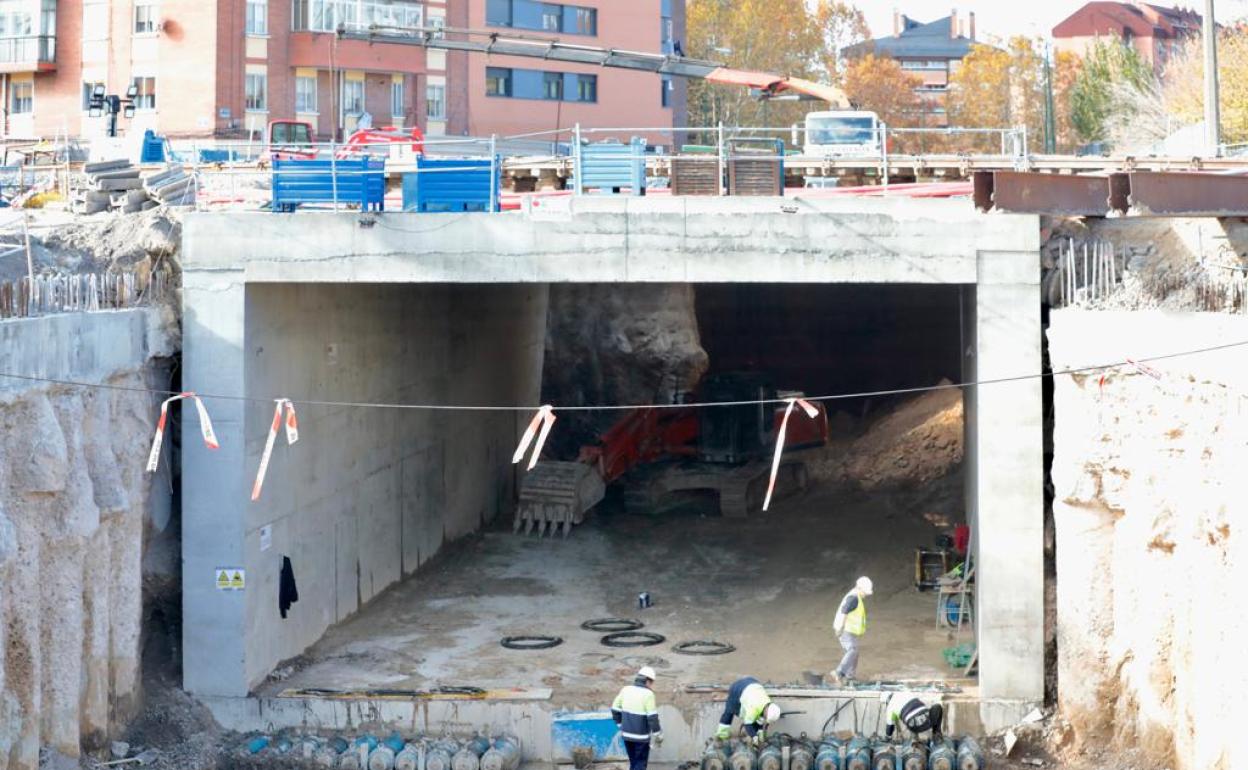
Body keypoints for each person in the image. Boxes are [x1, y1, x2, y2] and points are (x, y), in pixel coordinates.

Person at [612, 666, 663, 770]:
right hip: (641, 737)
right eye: (652, 682)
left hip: (626, 735)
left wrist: (620, 724)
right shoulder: (648, 694)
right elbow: (652, 717)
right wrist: (658, 734)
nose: (651, 685)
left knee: (633, 762)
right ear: (647, 681)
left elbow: (614, 709)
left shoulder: (625, 689)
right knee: (640, 764)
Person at [714, 677, 782, 745]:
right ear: (766, 712)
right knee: (730, 711)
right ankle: (721, 736)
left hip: (752, 682)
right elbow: (747, 724)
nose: (765, 718)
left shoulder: (768, 703)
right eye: (766, 717)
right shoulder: (754, 706)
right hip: (738, 688)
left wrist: (761, 736)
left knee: (756, 719)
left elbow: (761, 720)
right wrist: (754, 737)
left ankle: (755, 738)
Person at [831, 576, 873, 685]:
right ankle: (839, 673)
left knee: (854, 652)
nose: (866, 595)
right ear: (859, 588)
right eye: (865, 592)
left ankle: (850, 677)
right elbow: (843, 612)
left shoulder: (856, 596)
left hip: (850, 631)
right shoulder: (853, 598)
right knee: (852, 650)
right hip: (845, 630)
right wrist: (840, 628)